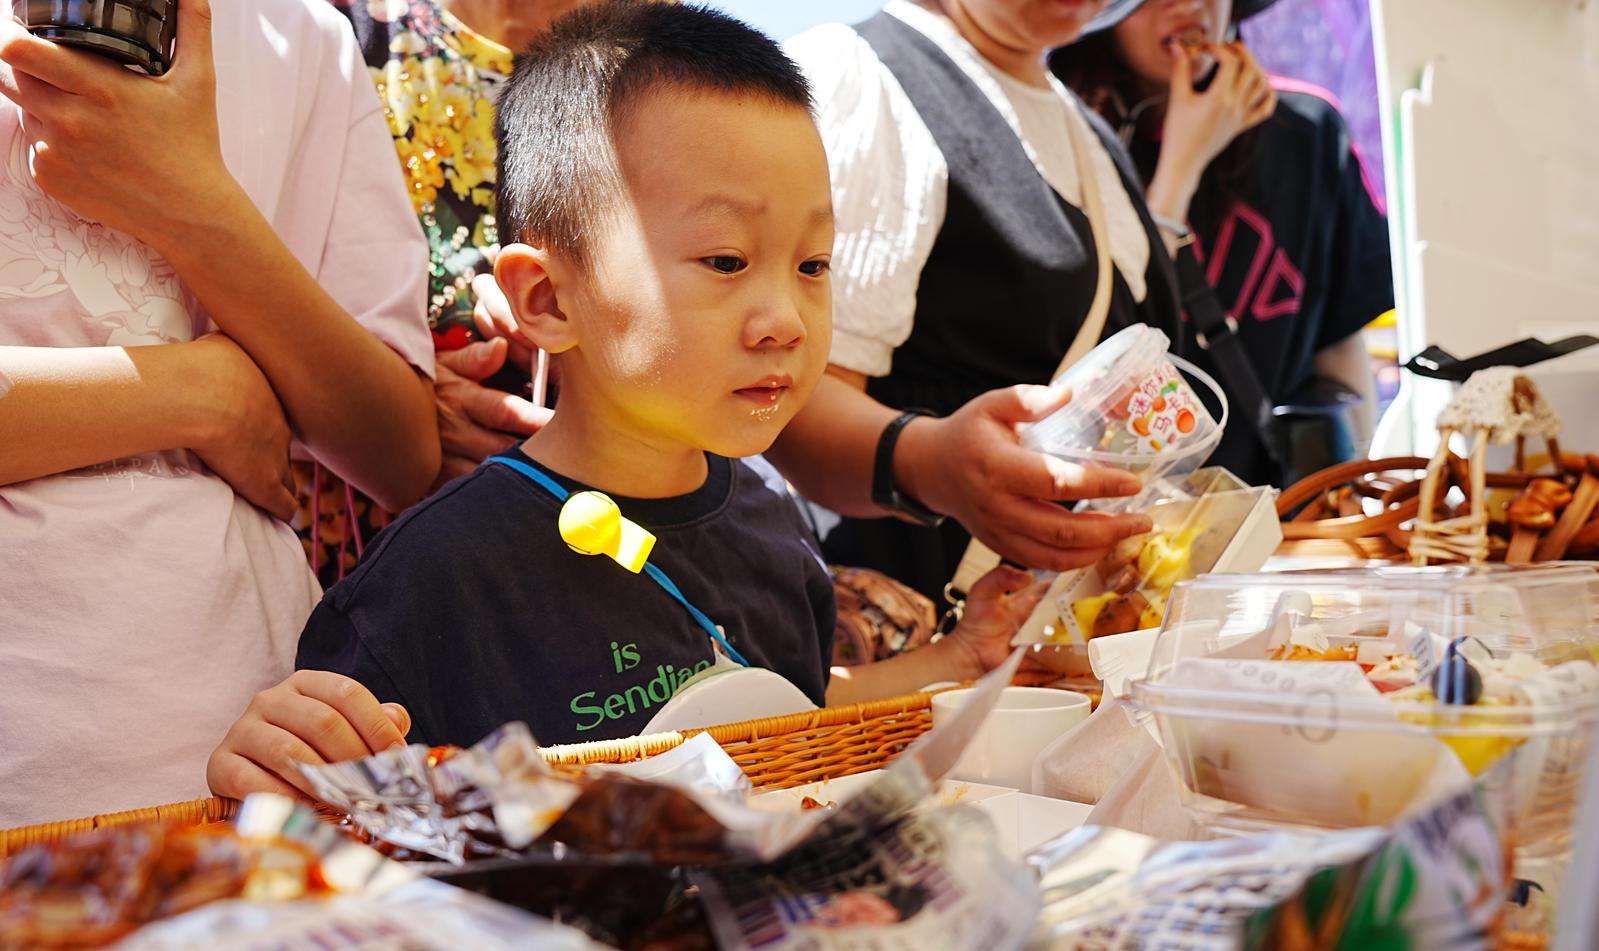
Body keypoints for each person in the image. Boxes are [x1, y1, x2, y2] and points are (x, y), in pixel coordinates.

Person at [205, 0, 1049, 800]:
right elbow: (345, 809)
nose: (785, 319)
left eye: (813, 264)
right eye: (725, 261)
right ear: (547, 302)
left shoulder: (768, 525)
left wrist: (963, 652)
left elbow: (792, 716)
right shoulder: (436, 581)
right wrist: (295, 763)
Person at [0, 0, 440, 824]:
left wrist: (192, 201)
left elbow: (399, 453)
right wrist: (201, 392)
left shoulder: (303, 34)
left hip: (274, 749)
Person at [767, 0, 1175, 606]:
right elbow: (786, 390)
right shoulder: (861, 76)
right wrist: (930, 464)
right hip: (921, 623)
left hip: (1067, 632)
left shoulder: (1080, 123)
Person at [297, 0, 596, 583]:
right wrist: (387, 400)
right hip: (349, 562)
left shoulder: (679, 71)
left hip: (607, 552)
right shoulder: (323, 31)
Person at [1052, 0, 1390, 486]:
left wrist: (1358, 484)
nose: (1189, 5)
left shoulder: (1304, 133)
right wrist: (1181, 166)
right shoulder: (1072, 151)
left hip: (1285, 509)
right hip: (1132, 507)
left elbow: (1337, 346)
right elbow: (1104, 355)